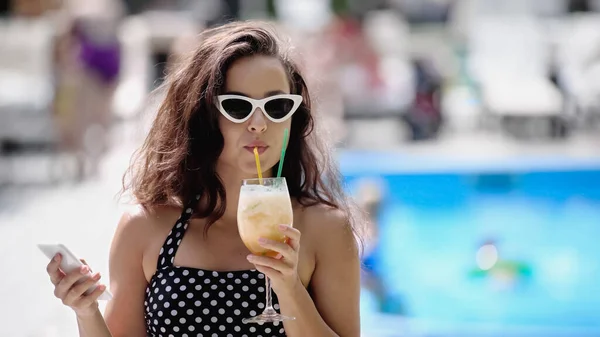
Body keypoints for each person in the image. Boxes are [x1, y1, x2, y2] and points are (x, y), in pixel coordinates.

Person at [45, 21, 364, 336]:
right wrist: (86, 312)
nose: (259, 123)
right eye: (238, 107)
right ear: (204, 116)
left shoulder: (325, 230)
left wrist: (290, 290)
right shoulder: (145, 227)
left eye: (277, 106)